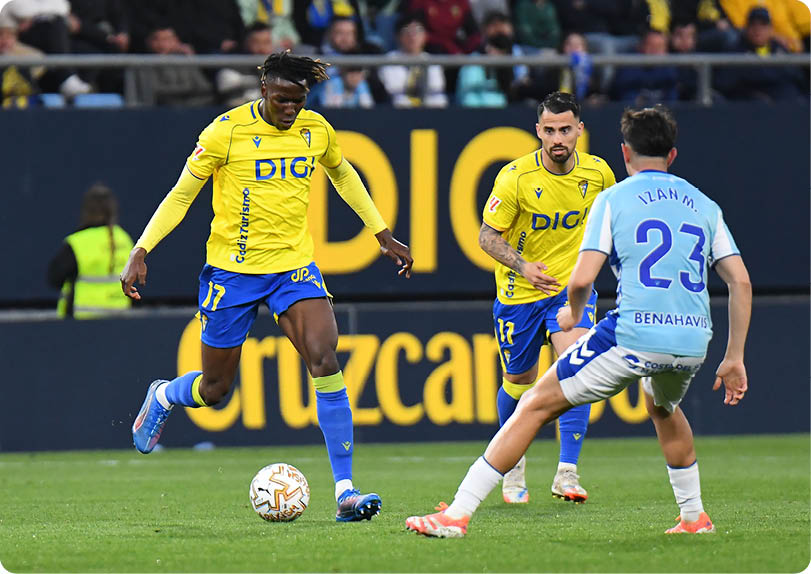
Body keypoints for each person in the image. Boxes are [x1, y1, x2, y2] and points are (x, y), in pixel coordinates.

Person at [405, 104, 751, 538]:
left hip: (632, 331)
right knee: (663, 407)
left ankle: (457, 513)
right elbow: (740, 281)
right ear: (673, 156)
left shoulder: (612, 194)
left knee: (534, 404)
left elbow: (583, 277)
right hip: (693, 339)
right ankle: (694, 516)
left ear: (625, 154)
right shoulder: (705, 204)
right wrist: (734, 356)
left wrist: (571, 310)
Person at [122, 52, 413, 522]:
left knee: (325, 356)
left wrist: (381, 232)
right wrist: (142, 248)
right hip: (231, 273)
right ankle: (163, 396)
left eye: (298, 101)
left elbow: (342, 173)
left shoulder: (316, 129)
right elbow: (182, 193)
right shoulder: (225, 132)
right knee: (216, 389)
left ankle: (345, 492)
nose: (290, 110)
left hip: (293, 268)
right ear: (263, 90)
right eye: (281, 100)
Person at [475, 91, 615, 504]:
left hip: (569, 292)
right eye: (550, 130)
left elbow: (616, 222)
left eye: (565, 130)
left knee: (574, 367)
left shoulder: (600, 174)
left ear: (579, 130)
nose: (558, 138)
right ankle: (512, 465)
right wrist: (524, 267)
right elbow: (486, 235)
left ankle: (567, 472)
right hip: (519, 292)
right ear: (538, 131)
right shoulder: (515, 177)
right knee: (518, 382)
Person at [47, 184, 134, 318]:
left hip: (82, 321)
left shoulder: (78, 242)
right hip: (119, 318)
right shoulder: (124, 239)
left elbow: (54, 278)